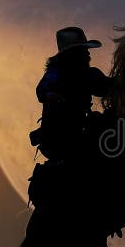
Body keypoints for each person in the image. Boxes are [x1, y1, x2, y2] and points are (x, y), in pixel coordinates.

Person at [33, 26, 113, 163]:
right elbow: (42, 91)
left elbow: (105, 87)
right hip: (65, 142)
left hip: (68, 138)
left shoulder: (84, 74)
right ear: (73, 53)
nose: (88, 54)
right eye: (84, 50)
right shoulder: (58, 73)